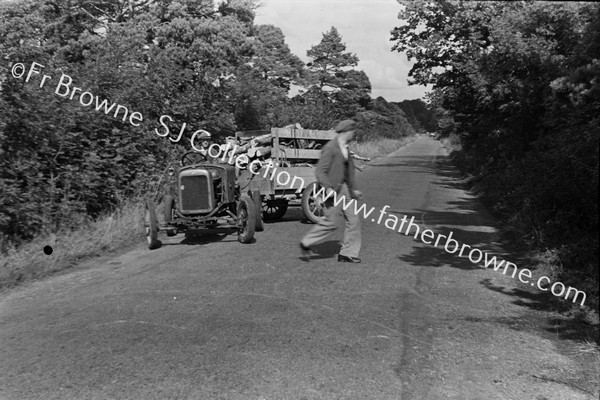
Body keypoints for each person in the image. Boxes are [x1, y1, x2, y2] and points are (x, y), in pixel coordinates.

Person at [299, 119, 363, 263]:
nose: (353, 134)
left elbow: (349, 171)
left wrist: (354, 189)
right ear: (346, 132)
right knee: (331, 223)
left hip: (346, 190)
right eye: (352, 132)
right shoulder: (331, 148)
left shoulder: (345, 148)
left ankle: (347, 253)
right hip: (333, 190)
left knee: (354, 220)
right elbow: (320, 171)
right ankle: (306, 242)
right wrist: (327, 187)